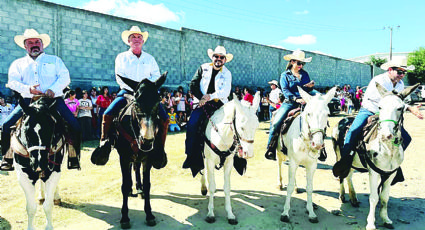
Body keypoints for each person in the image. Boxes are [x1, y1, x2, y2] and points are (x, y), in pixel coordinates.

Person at [1, 29, 81, 170]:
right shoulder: (18, 64)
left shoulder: (55, 60)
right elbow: (12, 82)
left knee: (74, 124)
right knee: (6, 125)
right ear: (25, 46)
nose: (34, 45)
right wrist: (28, 89)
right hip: (28, 101)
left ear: (42, 44)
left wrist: (53, 89)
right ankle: (7, 158)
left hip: (53, 100)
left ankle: (73, 157)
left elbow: (65, 77)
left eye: (37, 42)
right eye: (30, 42)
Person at [333, 58, 424, 179]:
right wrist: (409, 108)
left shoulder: (400, 84)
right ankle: (345, 161)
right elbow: (385, 101)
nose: (402, 75)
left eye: (404, 73)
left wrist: (407, 107)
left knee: (406, 138)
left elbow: (396, 102)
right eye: (400, 72)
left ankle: (393, 163)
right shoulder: (379, 80)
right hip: (369, 110)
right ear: (390, 70)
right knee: (353, 131)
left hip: (387, 115)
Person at [91, 25, 169, 167]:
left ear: (143, 41)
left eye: (139, 37)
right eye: (133, 37)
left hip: (146, 95)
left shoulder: (150, 58)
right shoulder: (121, 57)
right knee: (108, 113)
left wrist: (145, 89)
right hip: (127, 92)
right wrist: (136, 89)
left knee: (164, 118)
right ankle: (104, 143)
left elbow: (156, 75)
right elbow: (119, 77)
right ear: (128, 41)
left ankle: (160, 148)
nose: (137, 39)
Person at [264, 50, 326, 161]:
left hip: (305, 101)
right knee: (276, 122)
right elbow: (285, 90)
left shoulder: (305, 74)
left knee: (320, 120)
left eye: (302, 63)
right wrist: (296, 99)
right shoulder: (284, 75)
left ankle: (321, 148)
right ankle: (270, 148)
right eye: (298, 63)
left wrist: (310, 87)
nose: (301, 66)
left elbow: (306, 89)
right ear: (292, 62)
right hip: (289, 102)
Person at [182, 45, 233, 177]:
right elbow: (193, 84)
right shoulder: (203, 68)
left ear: (225, 60)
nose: (219, 59)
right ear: (212, 57)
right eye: (216, 56)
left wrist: (210, 96)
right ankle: (190, 156)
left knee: (235, 125)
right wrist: (201, 98)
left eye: (222, 57)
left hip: (219, 104)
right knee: (192, 124)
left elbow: (225, 92)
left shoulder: (227, 73)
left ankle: (238, 155)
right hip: (202, 102)